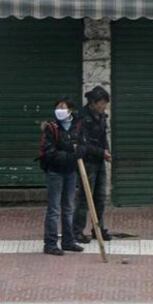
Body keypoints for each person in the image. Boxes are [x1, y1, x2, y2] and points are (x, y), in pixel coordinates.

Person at [41, 98, 85, 256]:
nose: (60, 110)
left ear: (70, 110)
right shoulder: (51, 127)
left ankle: (68, 241)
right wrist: (68, 156)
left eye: (63, 107)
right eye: (57, 107)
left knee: (68, 207)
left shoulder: (77, 125)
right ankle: (50, 243)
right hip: (55, 171)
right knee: (54, 208)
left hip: (71, 172)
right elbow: (49, 151)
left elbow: (82, 144)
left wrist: (81, 151)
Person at [73, 86, 112, 243]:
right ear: (93, 103)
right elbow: (83, 144)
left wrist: (107, 151)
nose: (104, 106)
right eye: (102, 103)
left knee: (100, 197)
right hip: (87, 163)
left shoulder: (102, 116)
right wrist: (101, 152)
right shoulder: (81, 118)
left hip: (99, 161)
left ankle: (98, 228)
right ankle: (77, 231)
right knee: (84, 197)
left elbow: (103, 137)